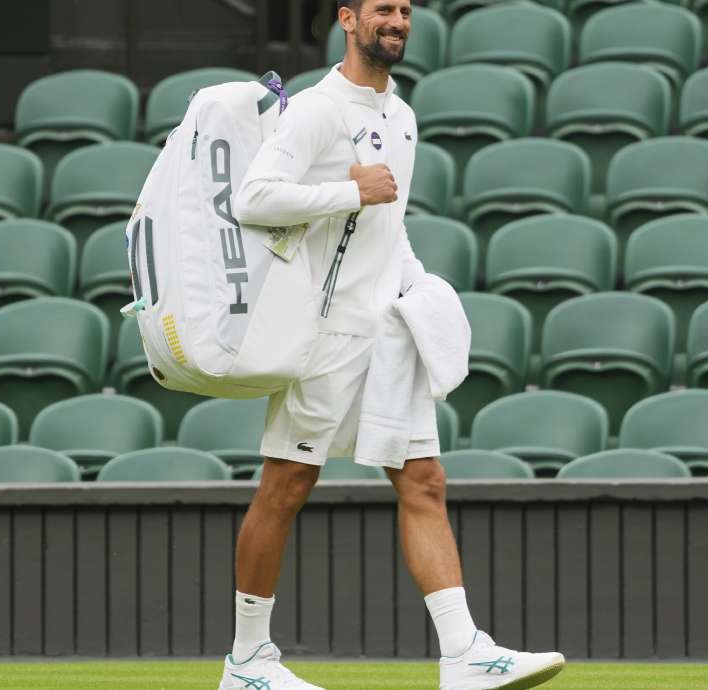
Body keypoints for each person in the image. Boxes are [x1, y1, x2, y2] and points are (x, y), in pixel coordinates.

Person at [217, 1, 565, 689]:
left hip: (385, 334)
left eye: (405, 9)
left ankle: (463, 653)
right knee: (285, 486)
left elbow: (388, 225)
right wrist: (345, 189)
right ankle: (248, 662)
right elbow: (254, 199)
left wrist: (418, 285)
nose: (397, 20)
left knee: (425, 481)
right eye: (383, 9)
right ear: (349, 19)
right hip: (321, 336)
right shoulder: (316, 109)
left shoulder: (402, 116)